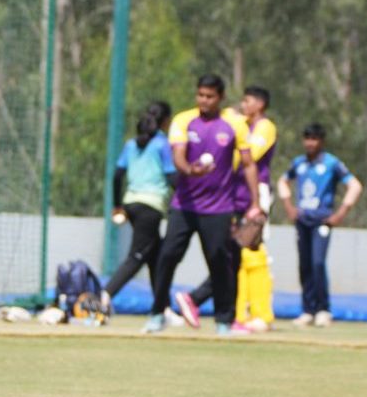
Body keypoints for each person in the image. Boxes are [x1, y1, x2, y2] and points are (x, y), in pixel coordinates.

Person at [142, 74, 263, 335]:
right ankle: (156, 313)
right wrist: (190, 170)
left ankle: (223, 321)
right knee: (167, 257)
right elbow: (178, 157)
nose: (204, 101)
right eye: (200, 95)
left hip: (219, 208)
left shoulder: (235, 125)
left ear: (220, 98)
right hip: (184, 206)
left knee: (220, 262)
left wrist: (255, 202)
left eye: (210, 96)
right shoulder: (184, 120)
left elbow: (249, 164)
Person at [173, 86, 277, 333]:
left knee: (245, 256)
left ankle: (234, 312)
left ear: (260, 105)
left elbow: (247, 156)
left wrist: (227, 132)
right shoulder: (239, 125)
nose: (243, 105)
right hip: (232, 197)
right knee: (232, 257)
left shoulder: (264, 127)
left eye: (248, 101)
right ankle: (219, 309)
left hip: (251, 198)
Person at [277, 123, 363, 327]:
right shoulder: (299, 163)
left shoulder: (332, 163)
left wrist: (341, 213)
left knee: (317, 262)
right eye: (307, 138)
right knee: (305, 264)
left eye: (314, 139)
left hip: (322, 221)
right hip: (303, 220)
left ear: (321, 141)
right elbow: (282, 181)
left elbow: (354, 185)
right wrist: (289, 206)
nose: (310, 143)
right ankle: (307, 309)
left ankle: (323, 309)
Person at [103, 101, 175, 306]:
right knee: (137, 256)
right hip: (150, 206)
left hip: (131, 204)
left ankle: (163, 308)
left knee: (156, 256)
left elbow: (117, 176)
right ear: (166, 120)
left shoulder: (131, 144)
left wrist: (117, 205)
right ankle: (105, 295)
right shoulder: (162, 144)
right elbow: (171, 177)